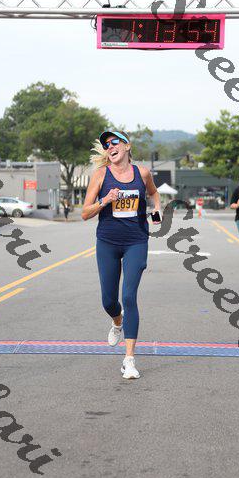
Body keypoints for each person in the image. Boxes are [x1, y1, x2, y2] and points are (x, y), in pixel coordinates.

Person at [82, 130, 161, 379]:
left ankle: (129, 360)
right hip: (107, 242)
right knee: (109, 301)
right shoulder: (100, 175)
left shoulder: (142, 173)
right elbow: (85, 213)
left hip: (136, 241)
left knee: (128, 296)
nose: (110, 147)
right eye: (106, 145)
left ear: (127, 146)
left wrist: (157, 210)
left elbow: (154, 193)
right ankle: (117, 321)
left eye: (114, 142)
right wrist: (105, 200)